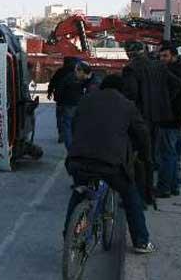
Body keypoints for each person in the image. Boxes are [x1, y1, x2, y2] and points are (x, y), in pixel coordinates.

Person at [64, 74, 155, 254]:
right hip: (110, 163)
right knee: (130, 196)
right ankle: (141, 241)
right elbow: (142, 134)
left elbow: (74, 126)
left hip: (77, 159)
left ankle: (68, 234)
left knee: (79, 191)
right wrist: (145, 156)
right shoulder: (127, 105)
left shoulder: (85, 100)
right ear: (122, 90)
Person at [121, 41, 181, 205]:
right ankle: (148, 194)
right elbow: (176, 84)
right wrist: (164, 102)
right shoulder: (159, 66)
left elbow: (130, 94)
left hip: (139, 119)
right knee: (150, 157)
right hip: (158, 118)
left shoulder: (131, 69)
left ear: (129, 53)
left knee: (135, 157)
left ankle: (137, 196)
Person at [156, 43, 181, 197]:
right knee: (173, 154)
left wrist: (163, 104)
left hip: (169, 118)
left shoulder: (172, 73)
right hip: (176, 118)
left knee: (166, 155)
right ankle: (173, 186)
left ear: (174, 56)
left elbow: (171, 93)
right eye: (160, 56)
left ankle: (164, 187)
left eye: (165, 56)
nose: (162, 59)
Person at [48, 57, 79, 143]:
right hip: (72, 102)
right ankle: (69, 137)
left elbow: (52, 82)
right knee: (70, 121)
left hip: (60, 101)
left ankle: (62, 134)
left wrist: (49, 92)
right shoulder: (76, 74)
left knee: (60, 119)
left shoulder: (60, 72)